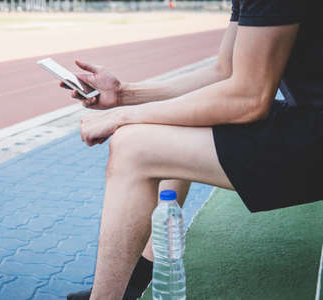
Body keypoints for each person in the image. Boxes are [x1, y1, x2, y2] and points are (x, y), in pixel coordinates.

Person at [61, 0, 323, 299]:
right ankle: (143, 274)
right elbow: (225, 72)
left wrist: (122, 117)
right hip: (309, 117)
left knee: (131, 148)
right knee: (181, 119)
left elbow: (249, 98)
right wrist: (124, 95)